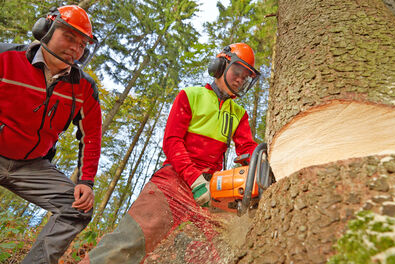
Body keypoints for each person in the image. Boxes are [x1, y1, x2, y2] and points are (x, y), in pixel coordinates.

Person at [83, 43, 260, 263]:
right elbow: (172, 142)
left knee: (223, 248)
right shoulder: (191, 95)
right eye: (237, 72)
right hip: (172, 182)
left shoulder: (238, 114)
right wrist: (194, 180)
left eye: (246, 77)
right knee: (127, 244)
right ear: (220, 66)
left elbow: (247, 149)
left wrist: (259, 167)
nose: (240, 80)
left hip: (211, 188)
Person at [0, 5, 102, 264]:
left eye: (82, 45)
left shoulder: (84, 88)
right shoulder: (6, 57)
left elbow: (91, 136)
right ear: (45, 30)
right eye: (69, 37)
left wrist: (86, 182)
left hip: (32, 165)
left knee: (77, 208)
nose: (75, 48)